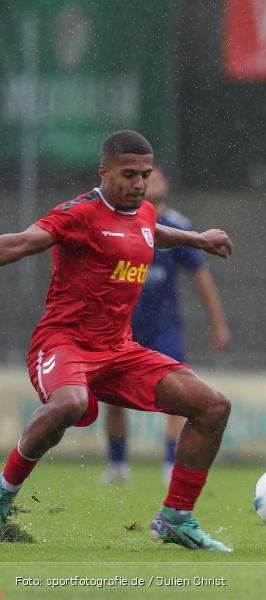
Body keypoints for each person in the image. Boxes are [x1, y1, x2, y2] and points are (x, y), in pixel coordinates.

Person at [0, 131, 235, 552]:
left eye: (145, 174)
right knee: (70, 403)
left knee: (213, 406)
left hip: (118, 351)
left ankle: (175, 519)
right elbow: (20, 243)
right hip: (62, 342)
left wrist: (198, 239)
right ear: (103, 171)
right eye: (129, 174)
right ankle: (2, 499)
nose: (140, 184)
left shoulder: (142, 212)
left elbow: (150, 231)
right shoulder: (78, 213)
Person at [103, 166, 231, 486]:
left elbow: (201, 276)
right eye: (142, 176)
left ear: (165, 185)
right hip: (123, 326)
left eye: (154, 176)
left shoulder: (179, 227)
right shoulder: (119, 223)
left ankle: (171, 464)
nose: (147, 182)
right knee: (114, 398)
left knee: (177, 398)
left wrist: (218, 323)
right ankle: (117, 465)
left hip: (164, 328)